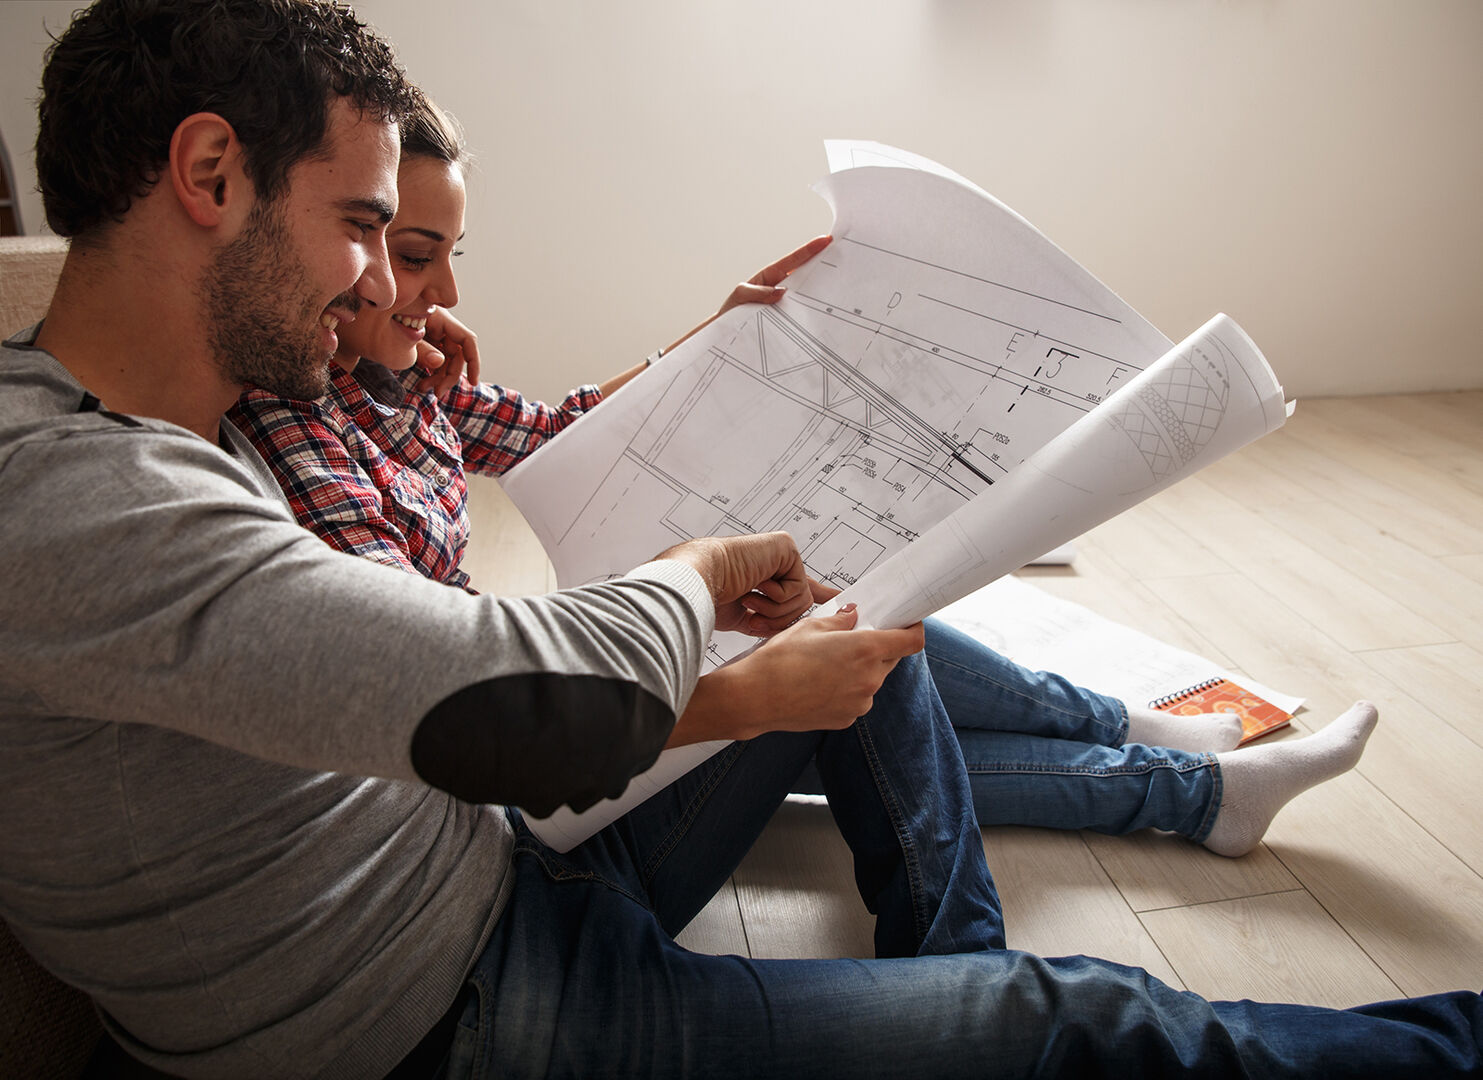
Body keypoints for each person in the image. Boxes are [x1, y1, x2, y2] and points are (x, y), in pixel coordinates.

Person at [2, 3, 1479, 1079]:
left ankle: (990, 938)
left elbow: (523, 459)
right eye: (362, 228)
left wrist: (712, 352)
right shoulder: (69, 502)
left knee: (862, 622)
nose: (386, 283)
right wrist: (704, 575)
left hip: (498, 869)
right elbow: (509, 700)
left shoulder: (192, 412)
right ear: (209, 179)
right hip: (457, 1012)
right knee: (1086, 1025)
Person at [229, 91, 1379, 861]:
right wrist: (725, 686)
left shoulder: (412, 382)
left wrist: (716, 329)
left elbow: (566, 427)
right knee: (838, 635)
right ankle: (1166, 774)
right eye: (401, 254)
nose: (430, 291)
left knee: (837, 637)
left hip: (531, 698)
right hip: (511, 775)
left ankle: (1146, 746)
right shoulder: (292, 429)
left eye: (432, 255)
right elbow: (435, 694)